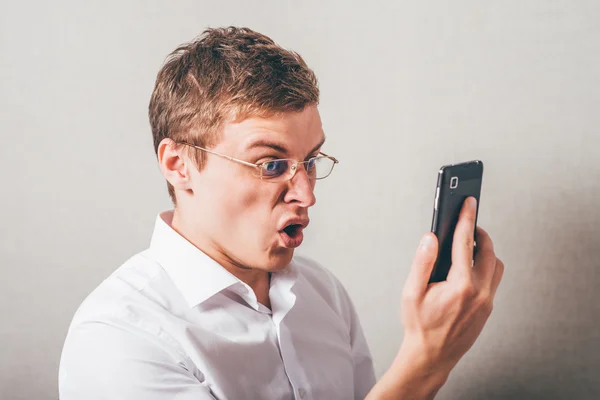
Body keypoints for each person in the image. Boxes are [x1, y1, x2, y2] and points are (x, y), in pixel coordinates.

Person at [59, 26, 504, 400]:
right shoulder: (118, 338)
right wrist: (424, 364)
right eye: (271, 164)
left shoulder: (323, 293)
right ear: (179, 166)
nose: (306, 195)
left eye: (311, 160)